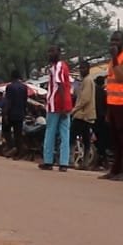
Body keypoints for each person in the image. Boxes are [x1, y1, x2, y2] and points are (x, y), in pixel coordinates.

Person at [101, 31, 123, 181]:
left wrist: (115, 57)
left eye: (117, 41)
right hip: (113, 103)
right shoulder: (112, 60)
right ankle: (115, 170)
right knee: (115, 139)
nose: (114, 43)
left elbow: (121, 77)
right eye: (112, 41)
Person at [41, 44, 73, 172]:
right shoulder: (60, 67)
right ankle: (63, 163)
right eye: (49, 51)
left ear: (58, 53)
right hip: (64, 106)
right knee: (65, 134)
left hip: (56, 106)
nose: (49, 54)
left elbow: (60, 87)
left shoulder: (58, 67)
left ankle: (48, 161)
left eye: (52, 51)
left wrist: (63, 106)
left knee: (50, 133)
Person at [70, 60, 98, 168]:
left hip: (82, 115)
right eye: (80, 68)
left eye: (83, 68)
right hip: (86, 115)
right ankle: (84, 163)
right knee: (86, 139)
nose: (81, 70)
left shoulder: (87, 80)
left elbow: (85, 99)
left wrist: (74, 110)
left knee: (73, 137)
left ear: (88, 69)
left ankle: (72, 160)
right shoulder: (86, 80)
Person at [2, 70, 29, 158]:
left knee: (6, 130)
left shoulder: (10, 87)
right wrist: (24, 112)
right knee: (18, 134)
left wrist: (5, 114)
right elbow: (25, 101)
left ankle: (12, 147)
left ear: (12, 77)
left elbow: (8, 101)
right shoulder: (24, 87)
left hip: (11, 113)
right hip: (20, 113)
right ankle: (19, 152)